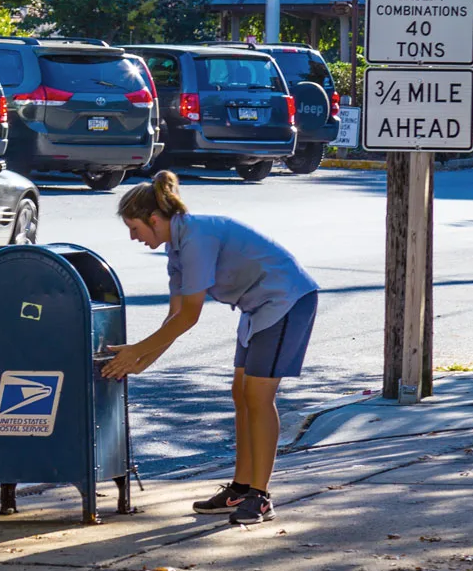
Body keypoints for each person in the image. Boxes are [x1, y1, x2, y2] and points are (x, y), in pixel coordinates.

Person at [102, 171, 318, 526]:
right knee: (241, 393)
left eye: (135, 228)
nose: (133, 237)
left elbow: (189, 316)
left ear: (154, 219)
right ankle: (241, 487)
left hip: (286, 300)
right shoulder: (176, 245)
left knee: (258, 397)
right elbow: (174, 315)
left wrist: (137, 350)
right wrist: (141, 360)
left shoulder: (196, 238)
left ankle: (261, 498)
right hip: (256, 307)